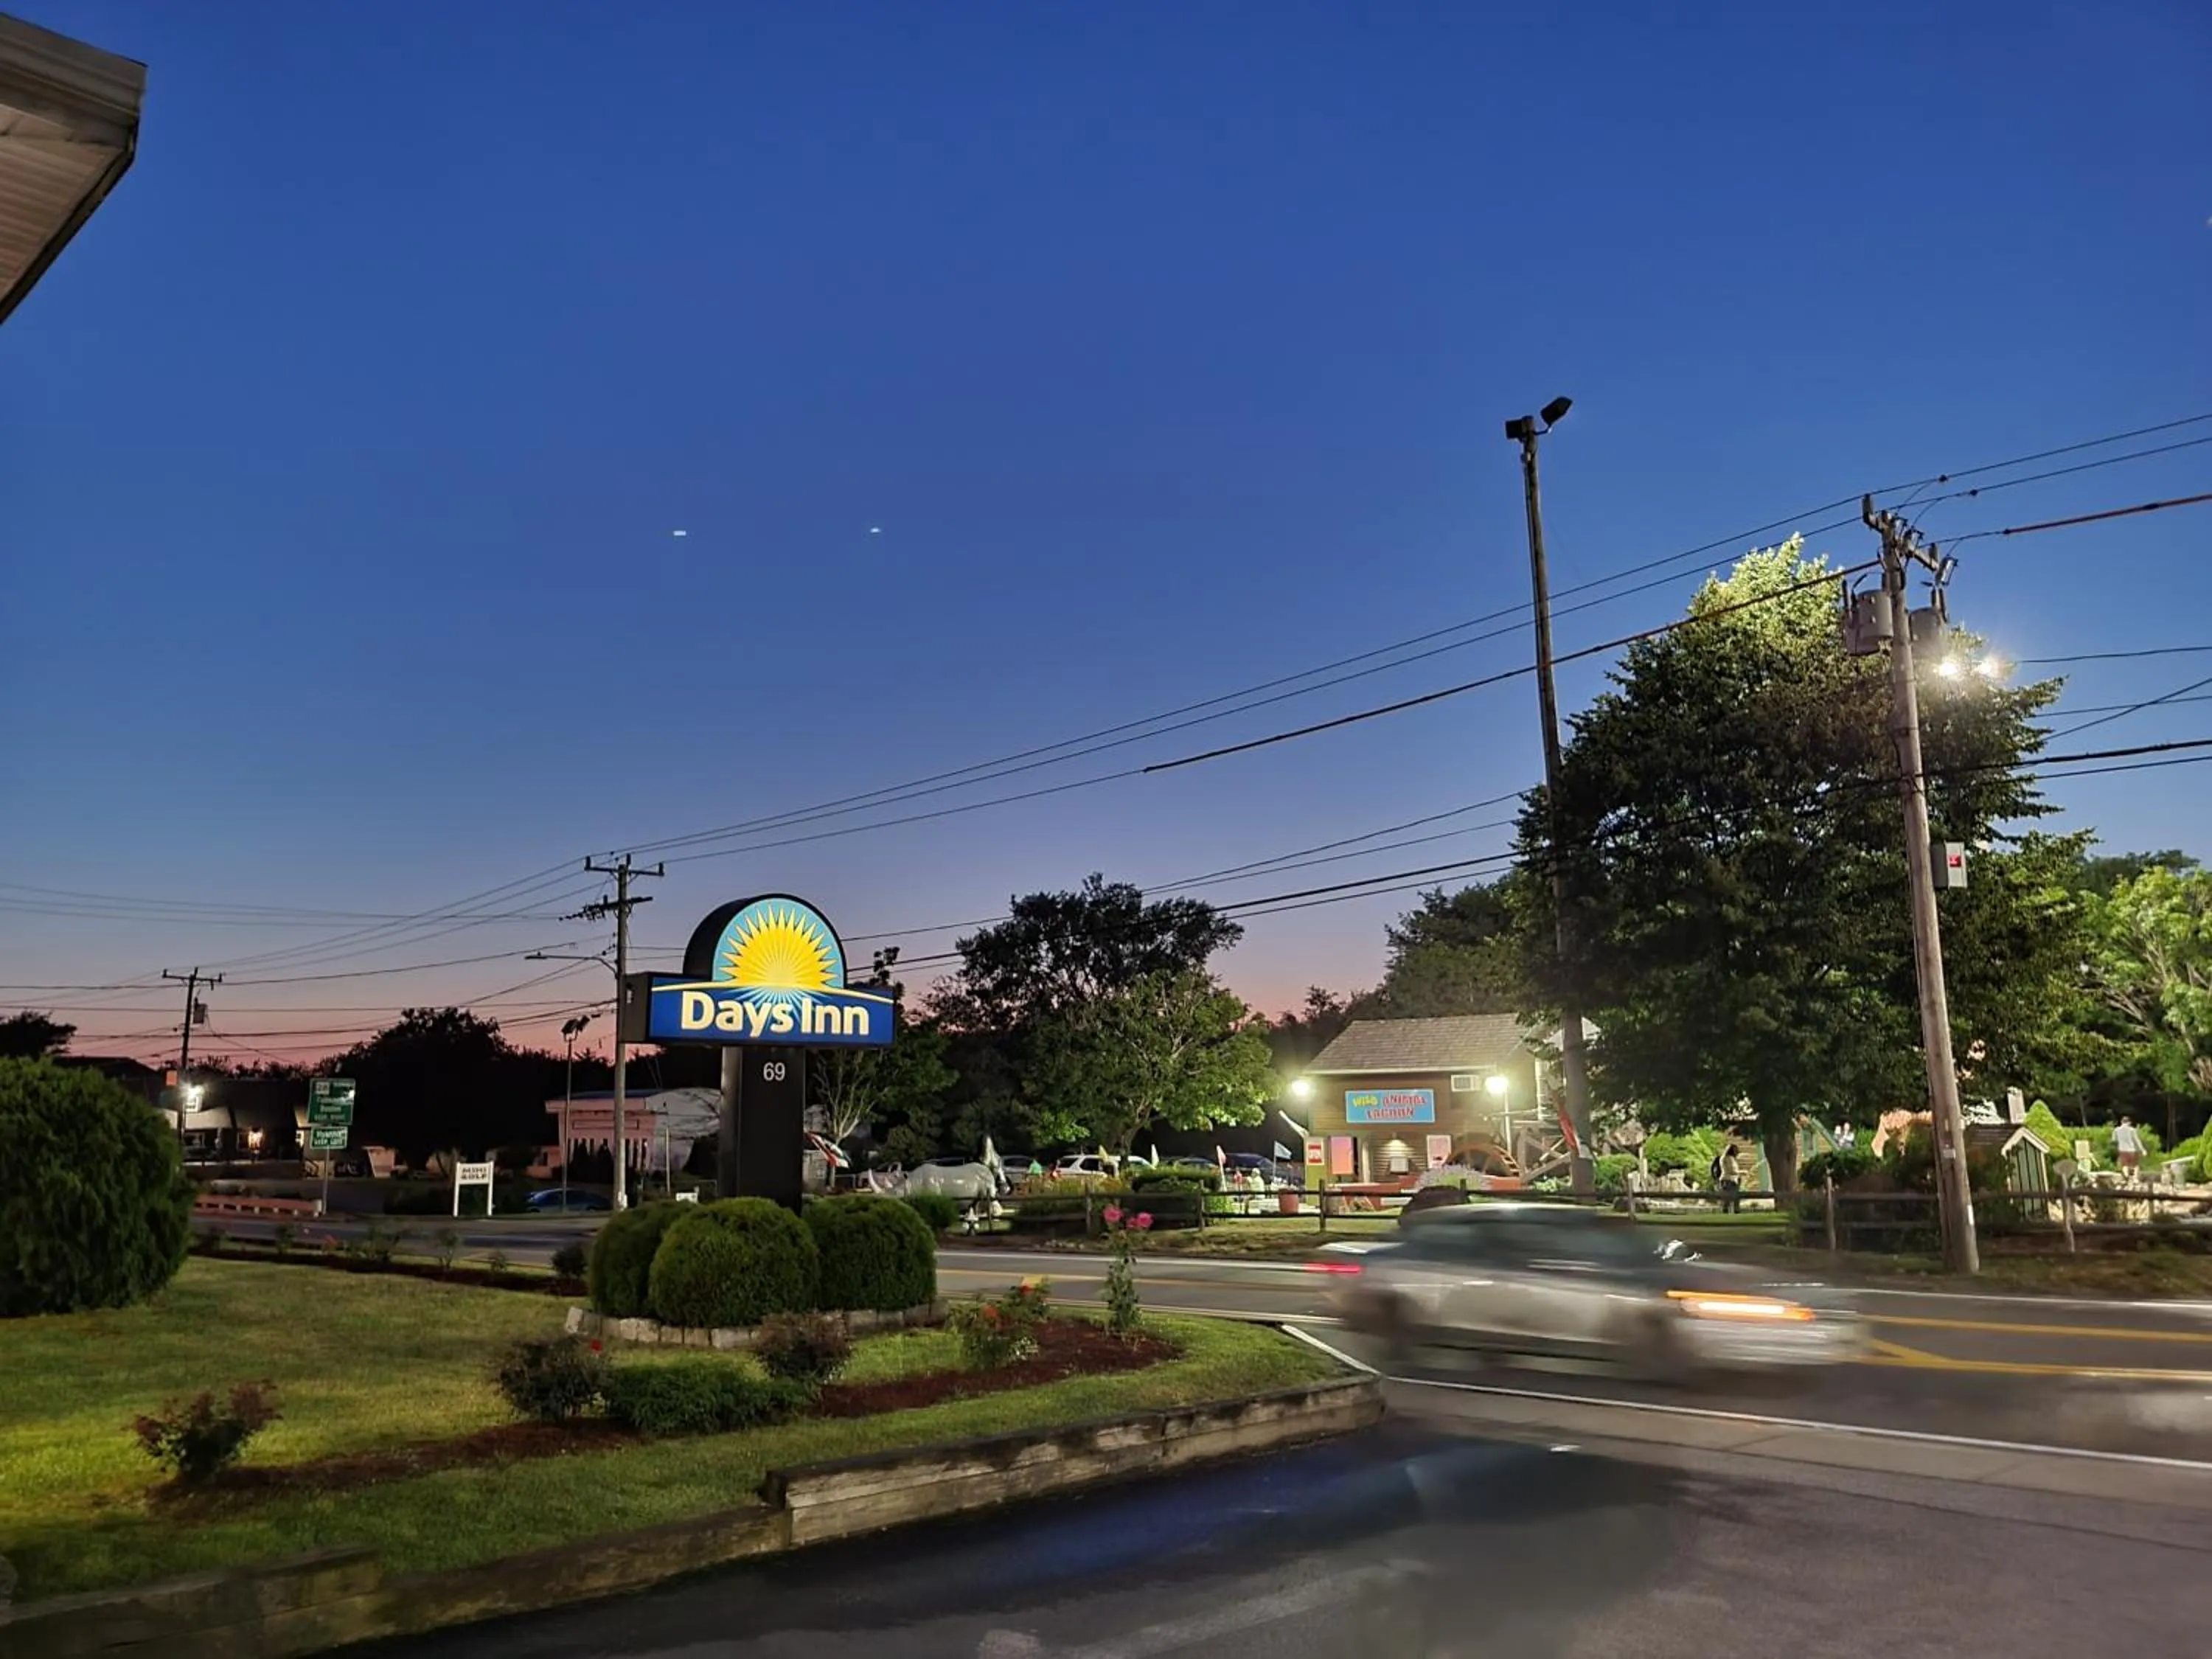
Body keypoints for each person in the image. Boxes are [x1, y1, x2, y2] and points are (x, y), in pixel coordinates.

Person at [2114, 1116, 2146, 1183]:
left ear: (2121, 1122)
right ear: (2129, 1123)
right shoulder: (2132, 1130)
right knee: (2135, 1165)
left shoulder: (2116, 1130)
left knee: (2124, 1165)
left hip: (2122, 1150)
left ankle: (2126, 1176)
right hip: (2131, 1150)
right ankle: (2135, 1179)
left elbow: (2115, 1139)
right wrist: (2142, 1150)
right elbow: (2137, 1140)